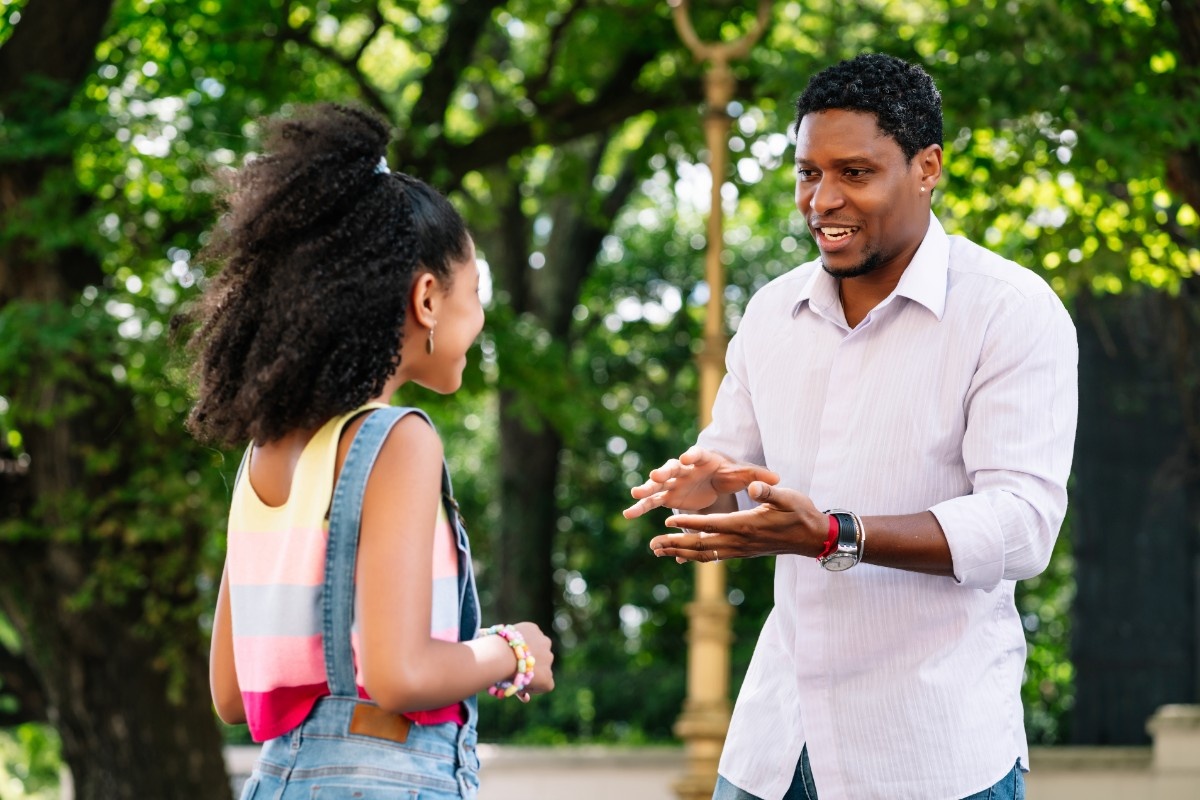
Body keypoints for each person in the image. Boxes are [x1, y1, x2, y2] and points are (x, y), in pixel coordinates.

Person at [624, 53, 1077, 800]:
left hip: (931, 753)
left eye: (855, 173)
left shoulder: (1010, 311)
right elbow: (734, 471)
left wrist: (835, 534)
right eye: (808, 173)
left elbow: (1022, 527)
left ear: (927, 168)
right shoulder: (773, 312)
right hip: (774, 745)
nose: (822, 200)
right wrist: (702, 488)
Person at [182, 103, 555, 800]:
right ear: (427, 299)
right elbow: (398, 676)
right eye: (476, 292)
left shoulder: (264, 455)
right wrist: (512, 650)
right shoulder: (397, 441)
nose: (481, 319)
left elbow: (232, 694)